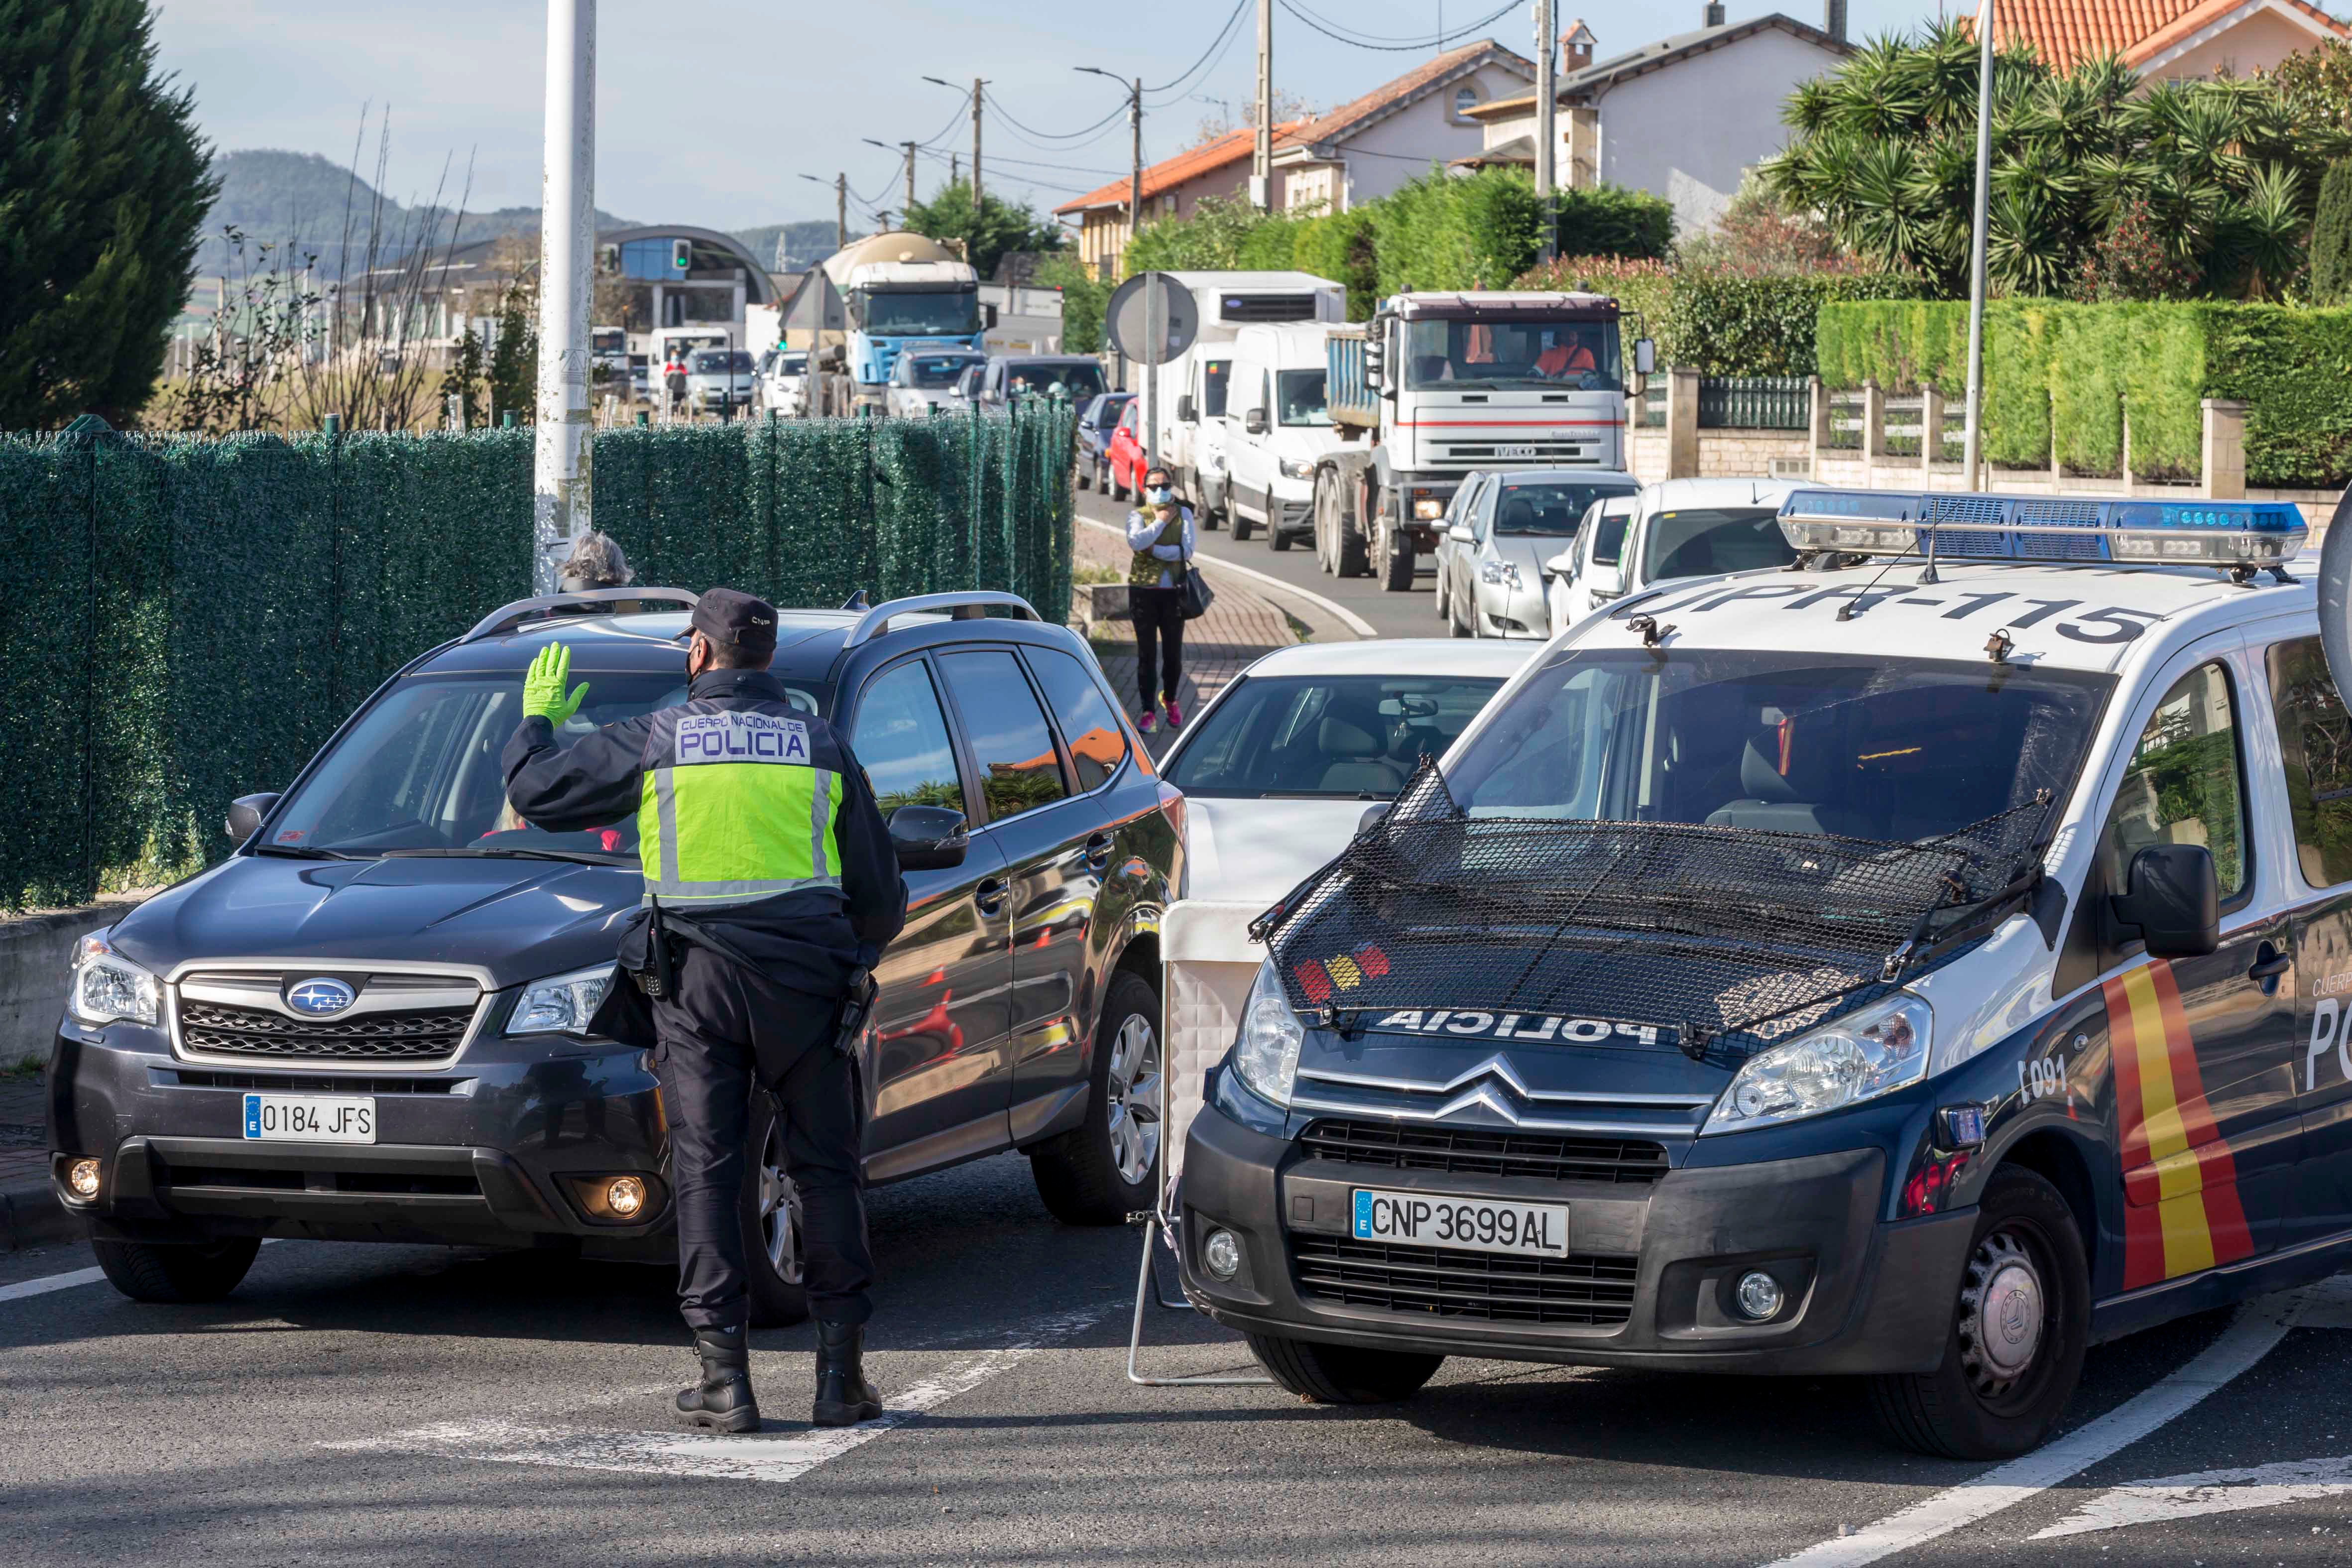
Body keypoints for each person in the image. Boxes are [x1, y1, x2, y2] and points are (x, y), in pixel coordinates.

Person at [501, 588, 908, 1433]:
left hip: (696, 984)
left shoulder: (659, 738)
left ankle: (725, 1380)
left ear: (697, 655)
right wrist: (848, 963)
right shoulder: (820, 744)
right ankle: (840, 1378)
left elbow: (538, 792)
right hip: (807, 985)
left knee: (707, 1170)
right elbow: (880, 894)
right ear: (766, 658)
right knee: (825, 1170)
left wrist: (536, 721)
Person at [1124, 466, 1195, 734]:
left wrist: (1156, 550)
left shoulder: (1185, 513)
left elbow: (1186, 551)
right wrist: (1161, 522)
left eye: (1165, 485)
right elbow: (1136, 542)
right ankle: (1147, 711)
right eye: (1154, 486)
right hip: (1143, 592)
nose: (1160, 490)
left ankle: (1172, 698)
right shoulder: (1137, 515)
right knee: (1147, 654)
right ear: (1145, 490)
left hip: (1173, 594)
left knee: (1173, 654)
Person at [663, 351, 689, 419]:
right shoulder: (669, 365)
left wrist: (678, 372)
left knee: (680, 402)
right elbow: (665, 374)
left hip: (680, 389)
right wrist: (672, 373)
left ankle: (680, 413)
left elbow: (685, 373)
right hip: (671, 388)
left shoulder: (681, 365)